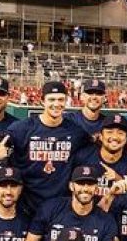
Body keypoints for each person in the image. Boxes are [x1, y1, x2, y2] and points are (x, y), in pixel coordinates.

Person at [6, 80, 91, 214]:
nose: (56, 104)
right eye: (51, 99)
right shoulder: (21, 129)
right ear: (42, 101)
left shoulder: (76, 132)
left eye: (61, 99)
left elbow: (96, 145)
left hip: (60, 207)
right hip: (26, 205)